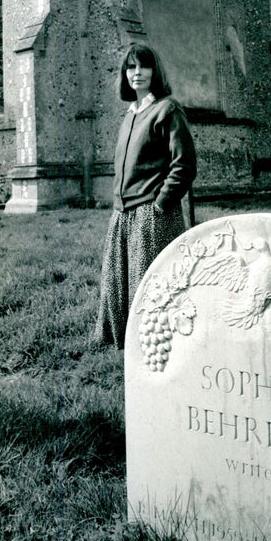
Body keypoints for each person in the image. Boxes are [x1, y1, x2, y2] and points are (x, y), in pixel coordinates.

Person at [93, 44, 196, 349]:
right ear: (124, 75)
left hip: (151, 214)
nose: (137, 73)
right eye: (130, 67)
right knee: (118, 286)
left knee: (151, 289)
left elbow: (184, 164)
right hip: (123, 213)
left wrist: (161, 203)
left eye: (143, 67)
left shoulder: (167, 109)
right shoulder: (130, 115)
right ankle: (120, 344)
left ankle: (154, 346)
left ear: (155, 71)